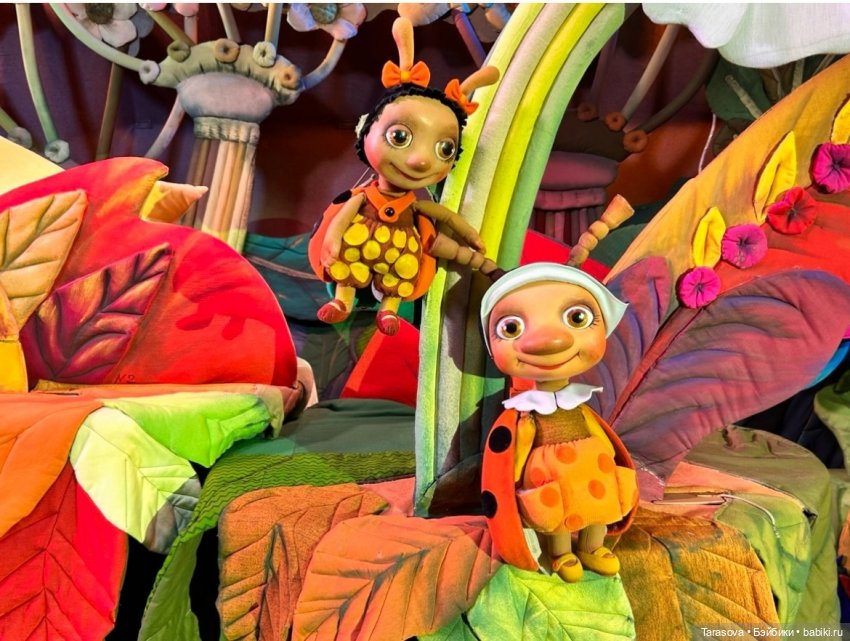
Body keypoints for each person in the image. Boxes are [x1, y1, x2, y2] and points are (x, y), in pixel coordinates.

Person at [308, 17, 500, 335]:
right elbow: (342, 219)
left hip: (398, 252)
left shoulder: (416, 209)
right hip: (359, 246)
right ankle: (342, 300)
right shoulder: (362, 198)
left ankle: (390, 310)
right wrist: (332, 238)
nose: (420, 161)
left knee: (404, 269)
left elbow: (446, 217)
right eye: (400, 137)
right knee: (347, 259)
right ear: (366, 130)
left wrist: (471, 237)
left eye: (444, 149)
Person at [480, 262, 639, 582]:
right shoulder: (527, 412)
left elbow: (596, 430)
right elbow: (521, 445)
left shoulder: (578, 404)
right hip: (550, 473)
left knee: (599, 507)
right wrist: (514, 474)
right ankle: (562, 553)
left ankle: (592, 547)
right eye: (511, 328)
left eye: (577, 318)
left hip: (593, 466)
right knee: (558, 514)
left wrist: (607, 453)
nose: (546, 341)